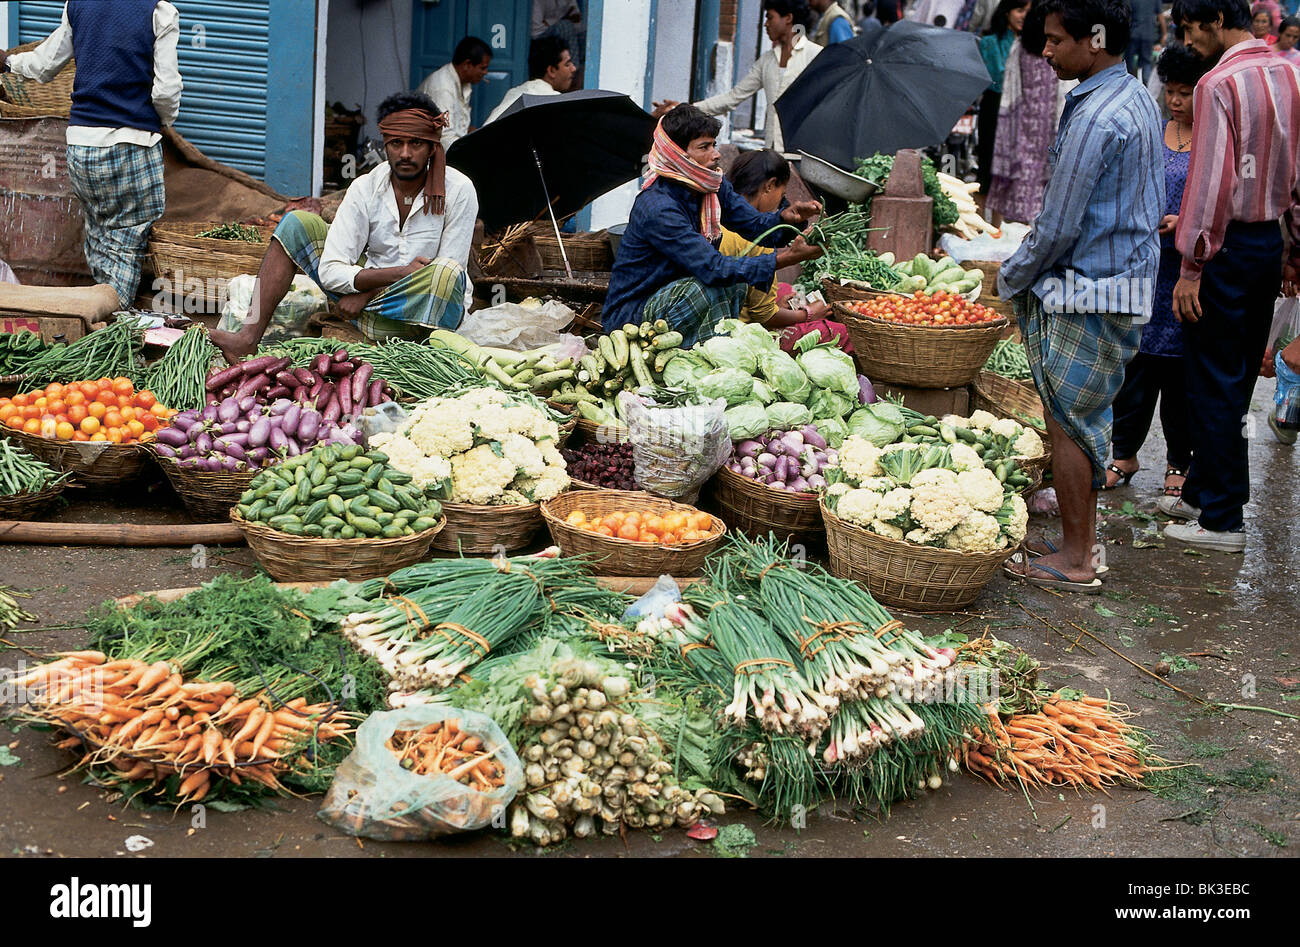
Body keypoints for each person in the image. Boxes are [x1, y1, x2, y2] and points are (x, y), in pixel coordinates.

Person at [998, 0, 1164, 593]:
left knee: (1069, 423)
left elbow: (1060, 225)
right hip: (1119, 280)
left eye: (1054, 40)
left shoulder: (1097, 118)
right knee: (1083, 419)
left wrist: (1008, 278)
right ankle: (1079, 542)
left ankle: (1074, 560)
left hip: (1088, 287)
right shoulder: (1132, 93)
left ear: (1092, 40)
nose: (1045, 51)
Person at [1162, 0, 1300, 551]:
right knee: (1237, 375)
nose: (1190, 42)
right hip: (1266, 244)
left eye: (1192, 30)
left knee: (1213, 377)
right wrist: (1295, 249)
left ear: (1216, 20)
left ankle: (1221, 519)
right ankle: (1204, 490)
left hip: (1224, 246)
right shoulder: (1288, 71)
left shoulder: (1216, 83)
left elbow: (1211, 184)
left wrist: (1192, 264)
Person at [210, 92, 478, 362]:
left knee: (446, 271)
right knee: (295, 223)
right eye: (396, 143)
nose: (405, 153)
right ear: (385, 143)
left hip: (422, 314)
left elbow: (449, 276)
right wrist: (391, 277)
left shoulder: (459, 190)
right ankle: (246, 339)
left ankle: (424, 356)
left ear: (433, 146)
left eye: (416, 143)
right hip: (368, 309)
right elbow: (330, 271)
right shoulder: (365, 187)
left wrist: (368, 292)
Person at [1, 0, 181, 309]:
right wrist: (160, 122)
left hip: (82, 147)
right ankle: (114, 327)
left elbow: (45, 66)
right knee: (126, 243)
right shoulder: (159, 10)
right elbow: (166, 91)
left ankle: (94, 317)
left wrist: (8, 63)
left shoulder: (79, 4)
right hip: (132, 144)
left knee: (99, 237)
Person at [602, 106, 824, 346]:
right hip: (635, 314)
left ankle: (708, 352)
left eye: (714, 145)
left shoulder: (710, 186)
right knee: (704, 288)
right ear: (677, 154)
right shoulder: (658, 207)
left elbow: (753, 225)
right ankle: (695, 352)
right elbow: (712, 268)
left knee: (731, 283)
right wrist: (786, 258)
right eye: (704, 147)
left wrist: (786, 219)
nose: (716, 154)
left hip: (677, 296)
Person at [1103, 44, 1209, 496]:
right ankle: (1123, 455)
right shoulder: (1154, 133)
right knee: (1137, 368)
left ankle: (1178, 465)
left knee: (1180, 375)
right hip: (1144, 268)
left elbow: (1215, 202)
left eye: (1186, 93)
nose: (1176, 101)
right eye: (1171, 91)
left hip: (1188, 271)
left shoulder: (1212, 141)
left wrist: (1185, 225)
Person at [654, 1, 823, 153]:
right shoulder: (768, 60)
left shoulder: (815, 56)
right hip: (773, 152)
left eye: (770, 18)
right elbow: (733, 97)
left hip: (803, 154)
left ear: (788, 18)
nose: (766, 24)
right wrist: (684, 109)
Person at [721, 150, 834, 327]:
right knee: (838, 331)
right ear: (769, 185)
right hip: (739, 327)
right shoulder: (759, 238)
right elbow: (764, 316)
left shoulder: (713, 218)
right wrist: (809, 314)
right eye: (782, 195)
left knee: (785, 290)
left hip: (727, 310)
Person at [984, 23, 1066, 226]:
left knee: (1025, 184)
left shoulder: (1023, 46)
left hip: (1032, 128)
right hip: (1035, 127)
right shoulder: (1032, 48)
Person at [977, 0, 1030, 196]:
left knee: (1005, 175)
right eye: (1019, 10)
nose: (1024, 15)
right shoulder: (990, 42)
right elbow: (996, 78)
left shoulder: (1029, 44)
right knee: (987, 170)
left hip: (1020, 110)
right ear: (1007, 12)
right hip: (995, 108)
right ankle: (980, 223)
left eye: (1027, 11)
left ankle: (997, 227)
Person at [415, 36, 492, 147]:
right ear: (467, 64)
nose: (485, 72)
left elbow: (460, 127)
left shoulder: (463, 82)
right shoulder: (442, 89)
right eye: (483, 68)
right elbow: (445, 138)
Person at [484, 36, 577, 125]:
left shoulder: (515, 92)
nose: (574, 68)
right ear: (551, 70)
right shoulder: (552, 100)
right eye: (567, 64)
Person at [532, 0, 585, 75]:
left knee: (585, 37)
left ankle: (577, 74)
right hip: (541, 40)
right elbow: (535, 31)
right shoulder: (539, 1)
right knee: (565, 26)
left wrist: (547, 22)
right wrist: (561, 21)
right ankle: (571, 73)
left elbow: (577, 24)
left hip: (564, 39)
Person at [1130, 0, 1164, 80]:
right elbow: (1160, 17)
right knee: (1146, 64)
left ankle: (1128, 86)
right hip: (1148, 35)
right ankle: (1147, 87)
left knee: (1129, 64)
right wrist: (1164, 34)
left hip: (1133, 35)